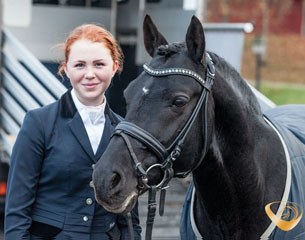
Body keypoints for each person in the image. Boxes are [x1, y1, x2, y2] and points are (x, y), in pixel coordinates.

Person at [5, 23, 142, 240]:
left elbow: (129, 217)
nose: (90, 74)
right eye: (80, 65)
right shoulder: (38, 123)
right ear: (66, 68)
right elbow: (17, 210)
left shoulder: (125, 131)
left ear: (114, 67)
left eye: (99, 64)